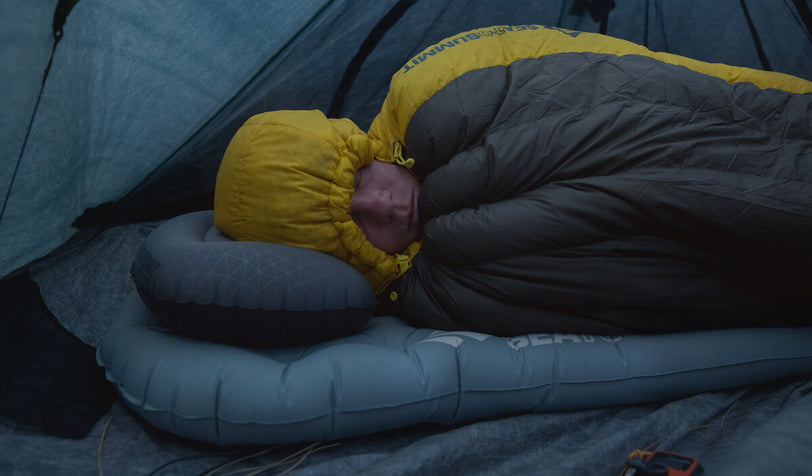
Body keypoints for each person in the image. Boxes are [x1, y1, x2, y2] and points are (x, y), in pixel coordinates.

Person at [215, 25, 812, 336]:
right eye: (354, 224)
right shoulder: (439, 293)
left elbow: (648, 91)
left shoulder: (430, 98)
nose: (384, 205)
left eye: (361, 177)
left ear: (359, 145)